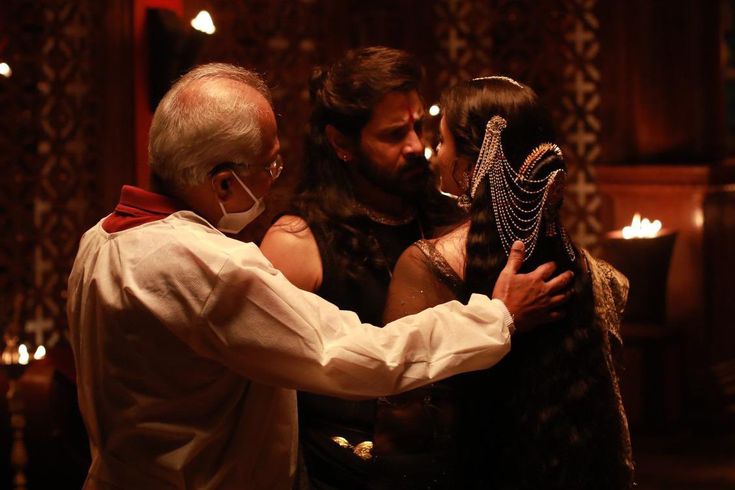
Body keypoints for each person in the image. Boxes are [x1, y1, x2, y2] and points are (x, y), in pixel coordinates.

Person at [66, 63, 573, 489]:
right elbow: (348, 355)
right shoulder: (210, 266)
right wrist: (496, 317)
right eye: (269, 165)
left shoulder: (99, 239)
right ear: (223, 181)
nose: (274, 177)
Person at [384, 76, 635, 489]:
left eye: (443, 142)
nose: (433, 156)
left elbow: (403, 412)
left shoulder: (427, 263)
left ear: (471, 166)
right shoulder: (594, 273)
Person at [258, 46, 471, 488]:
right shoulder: (297, 242)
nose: (416, 147)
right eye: (394, 135)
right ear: (341, 143)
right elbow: (267, 392)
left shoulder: (444, 219)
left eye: (419, 127)